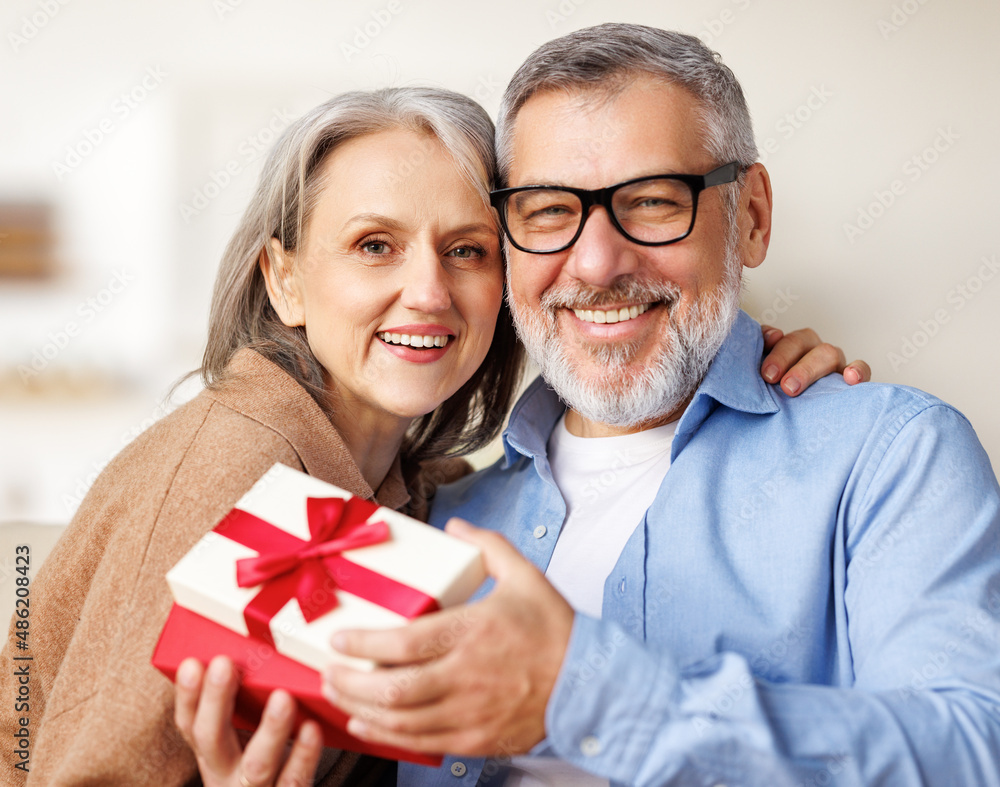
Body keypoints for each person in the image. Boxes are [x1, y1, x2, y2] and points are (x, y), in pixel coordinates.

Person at [0, 84, 854, 786]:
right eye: (375, 245)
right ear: (284, 280)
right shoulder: (235, 471)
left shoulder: (425, 493)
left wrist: (734, 360)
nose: (428, 293)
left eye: (468, 250)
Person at [317, 24, 1000, 787]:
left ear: (752, 218)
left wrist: (587, 694)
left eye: (650, 201)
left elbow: (973, 754)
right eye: (547, 210)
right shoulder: (436, 511)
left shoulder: (894, 457)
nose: (599, 262)